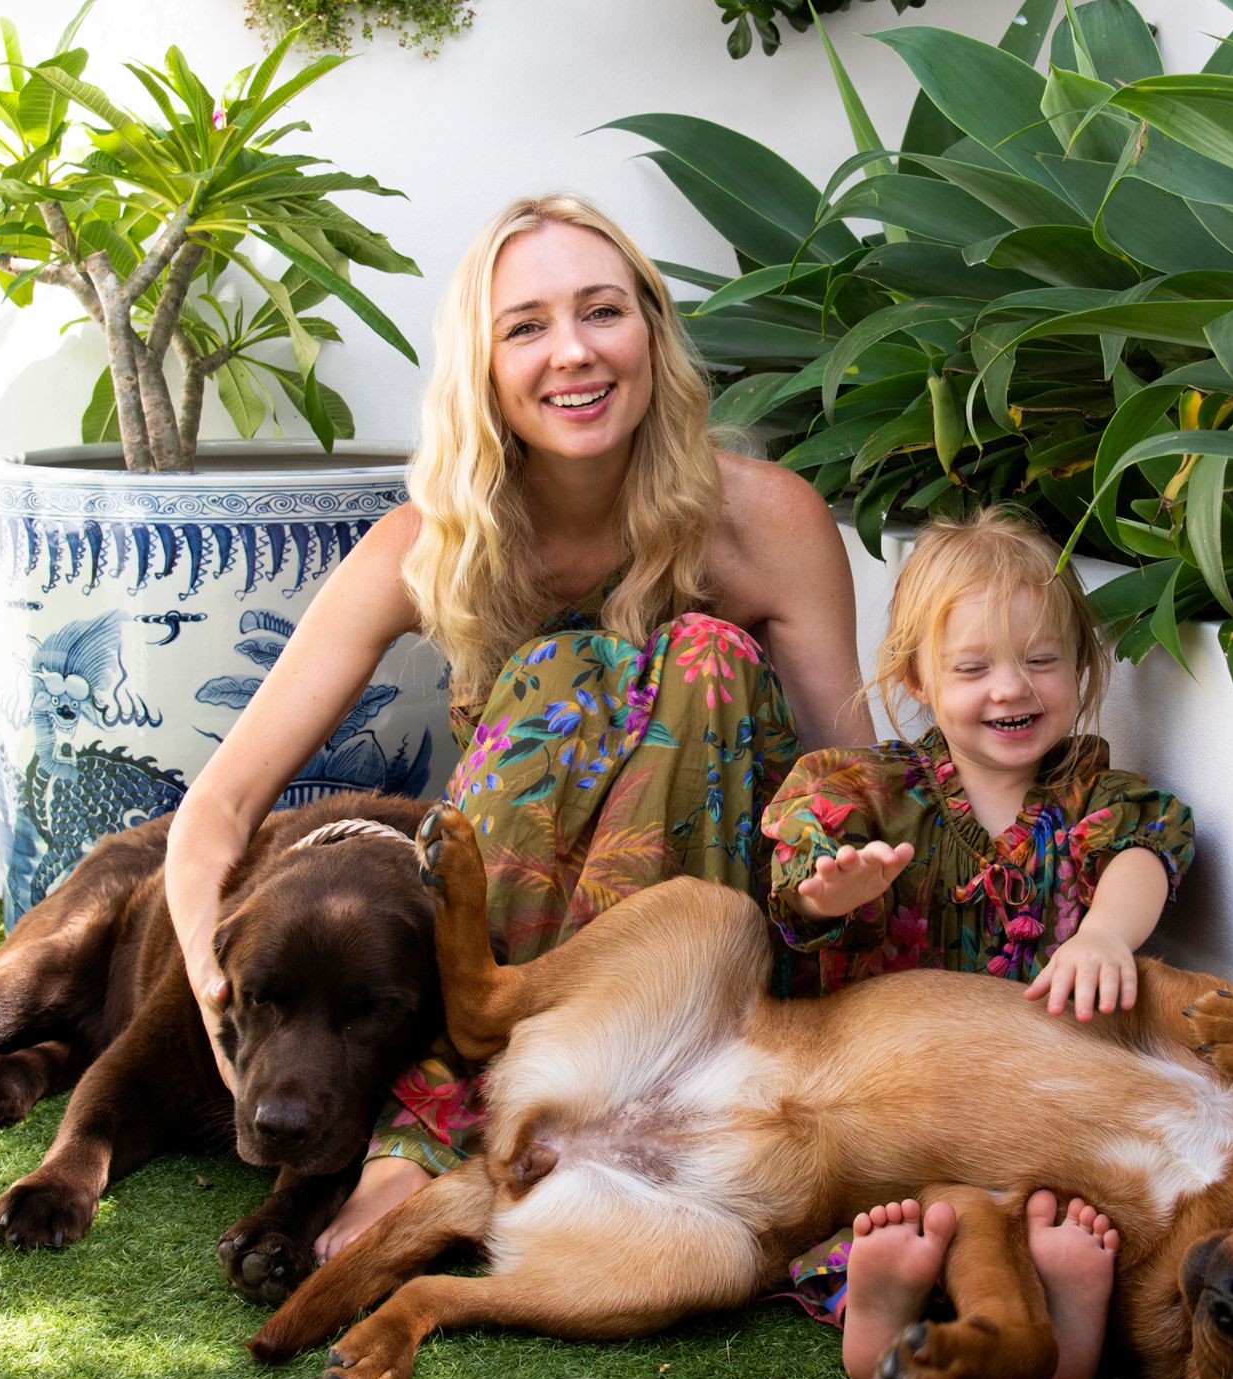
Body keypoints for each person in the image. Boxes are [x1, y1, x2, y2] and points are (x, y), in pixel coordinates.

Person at [165, 195, 873, 1261]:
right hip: (511, 930)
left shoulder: (767, 518)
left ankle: (448, 1141)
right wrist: (216, 996)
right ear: (483, 365)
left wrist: (839, 870)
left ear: (652, 333)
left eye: (602, 312)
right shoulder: (431, 541)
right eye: (527, 326)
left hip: (706, 957)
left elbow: (847, 774)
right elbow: (216, 808)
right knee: (558, 671)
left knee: (702, 655)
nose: (574, 353)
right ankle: (539, 1137)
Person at [757, 510, 1196, 1379]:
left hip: (1040, 1115)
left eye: (1042, 660)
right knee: (906, 1210)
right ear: (918, 675)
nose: (1012, 688)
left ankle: (1063, 1320)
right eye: (973, 668)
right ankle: (890, 1299)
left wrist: (1108, 932)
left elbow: (1148, 846)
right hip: (904, 1102)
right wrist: (830, 891)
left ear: (1080, 668)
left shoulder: (1090, 796)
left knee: (1063, 1219)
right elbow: (798, 861)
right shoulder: (873, 793)